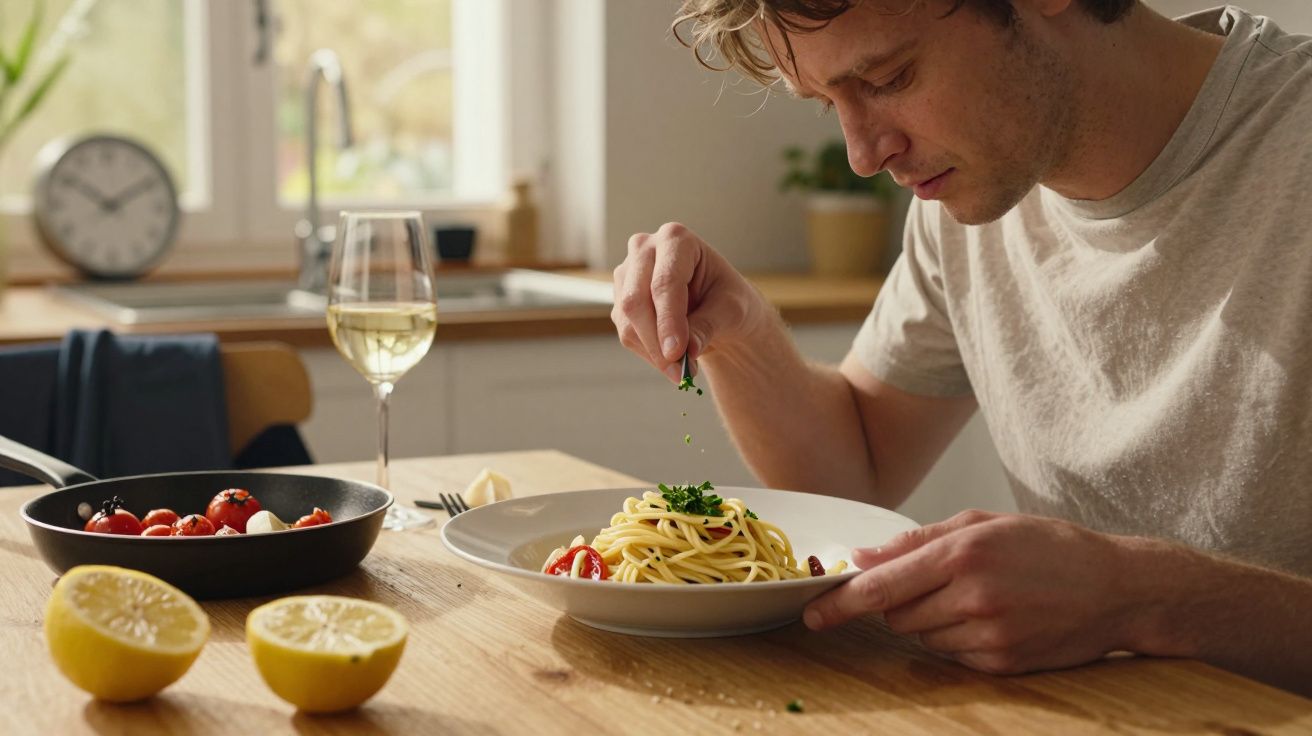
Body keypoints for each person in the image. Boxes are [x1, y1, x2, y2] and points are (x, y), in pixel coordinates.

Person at [609, 0, 1312, 694]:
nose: (864, 155)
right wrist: (742, 332)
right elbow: (855, 467)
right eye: (828, 103)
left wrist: (1142, 597)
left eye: (888, 78)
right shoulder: (967, 196)